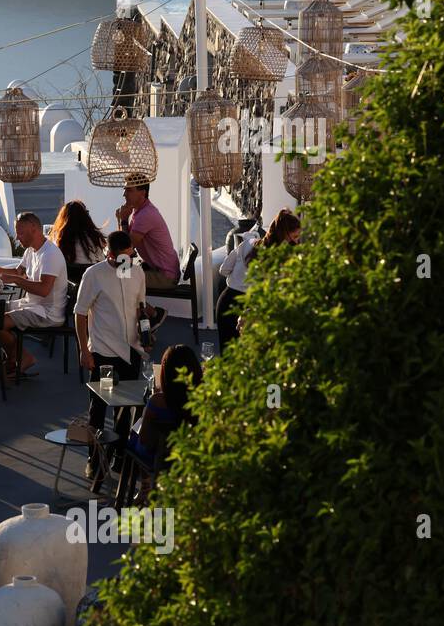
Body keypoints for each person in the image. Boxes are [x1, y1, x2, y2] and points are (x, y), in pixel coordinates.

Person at [75, 230, 150, 480]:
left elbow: (140, 308)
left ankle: (118, 458)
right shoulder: (93, 274)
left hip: (131, 351)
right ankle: (94, 461)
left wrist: (147, 335)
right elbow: (80, 313)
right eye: (120, 259)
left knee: (126, 409)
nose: (124, 263)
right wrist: (84, 350)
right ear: (109, 253)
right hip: (104, 353)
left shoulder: (136, 271)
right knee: (99, 406)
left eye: (129, 257)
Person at [0, 211, 67, 377]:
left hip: (47, 312)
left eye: (20, 232)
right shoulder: (31, 251)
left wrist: (15, 279)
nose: (17, 237)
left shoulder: (51, 254)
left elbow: (43, 290)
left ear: (34, 229)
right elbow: (18, 272)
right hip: (31, 304)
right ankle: (14, 359)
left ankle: (22, 358)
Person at [126, 344, 202, 500]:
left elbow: (145, 440)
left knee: (134, 435)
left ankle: (145, 485)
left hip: (158, 458)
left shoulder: (158, 401)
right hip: (189, 456)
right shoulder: (202, 400)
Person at [217, 210, 301, 350]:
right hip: (251, 311)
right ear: (285, 235)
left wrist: (239, 276)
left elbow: (223, 270)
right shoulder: (282, 260)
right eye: (295, 236)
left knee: (227, 360)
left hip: (227, 302)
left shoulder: (247, 243)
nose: (297, 241)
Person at [115, 174, 175, 328]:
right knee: (121, 274)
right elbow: (123, 246)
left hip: (165, 275)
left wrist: (122, 220)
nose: (124, 194)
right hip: (156, 268)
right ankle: (136, 322)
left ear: (142, 193)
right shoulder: (138, 212)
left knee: (122, 280)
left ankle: (154, 314)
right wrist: (122, 220)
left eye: (129, 190)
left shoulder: (145, 215)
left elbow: (125, 248)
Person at [50, 200, 107, 280]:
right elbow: (102, 263)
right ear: (85, 217)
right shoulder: (95, 237)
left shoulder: (60, 239)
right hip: (93, 282)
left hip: (70, 284)